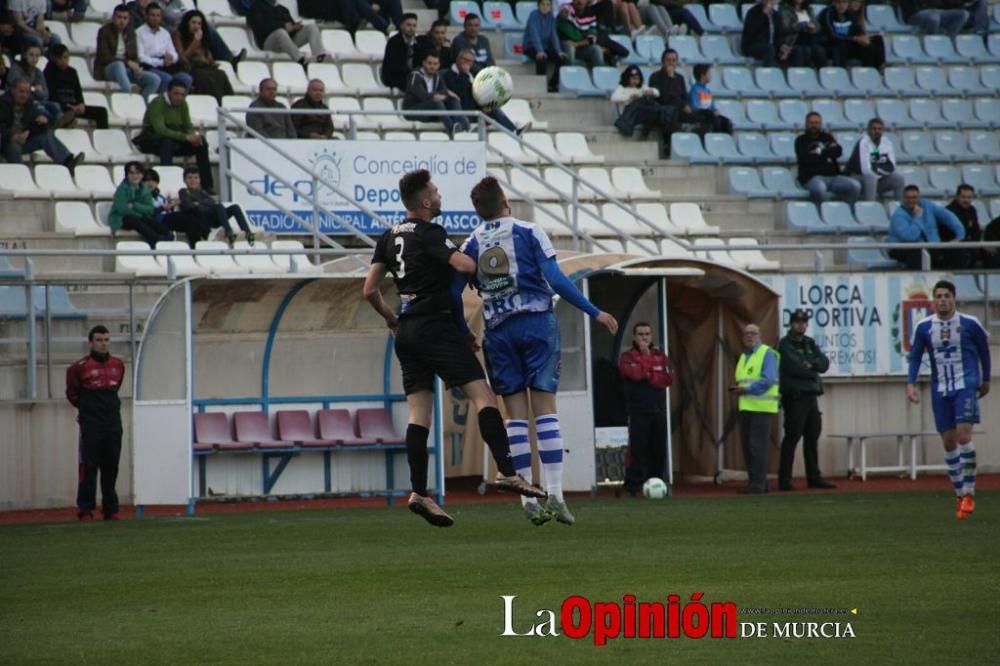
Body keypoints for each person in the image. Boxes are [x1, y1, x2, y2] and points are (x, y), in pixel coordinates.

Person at [363, 169, 546, 527]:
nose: (440, 194)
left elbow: (369, 289)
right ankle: (508, 472)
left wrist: (390, 318)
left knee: (419, 416)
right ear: (426, 201)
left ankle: (419, 492)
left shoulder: (387, 237)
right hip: (436, 327)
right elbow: (465, 263)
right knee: (484, 397)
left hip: (407, 331)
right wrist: (473, 267)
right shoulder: (430, 233)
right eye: (435, 190)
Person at [461, 177, 619, 525]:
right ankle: (557, 495)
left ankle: (527, 501)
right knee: (545, 411)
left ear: (479, 210)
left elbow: (454, 291)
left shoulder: (471, 243)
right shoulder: (528, 230)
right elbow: (556, 278)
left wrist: (462, 331)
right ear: (505, 202)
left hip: (498, 331)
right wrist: (595, 311)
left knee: (514, 418)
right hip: (535, 324)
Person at [907, 280, 990, 521]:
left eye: (946, 296)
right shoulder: (924, 327)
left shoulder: (970, 324)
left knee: (964, 436)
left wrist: (986, 380)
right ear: (934, 300)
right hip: (940, 389)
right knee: (949, 443)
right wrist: (910, 383)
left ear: (954, 299)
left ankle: (970, 493)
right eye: (939, 296)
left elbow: (984, 351)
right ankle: (959, 494)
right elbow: (914, 358)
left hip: (966, 386)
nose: (942, 300)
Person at [66, 325, 126, 522]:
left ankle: (111, 509)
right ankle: (85, 509)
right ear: (91, 342)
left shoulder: (118, 365)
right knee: (89, 466)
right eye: (99, 340)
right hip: (91, 424)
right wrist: (88, 411)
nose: (103, 344)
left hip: (113, 422)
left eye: (106, 340)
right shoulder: (80, 367)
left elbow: (116, 389)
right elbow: (72, 394)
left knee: (111, 465)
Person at [777, 309, 835, 491]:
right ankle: (784, 480)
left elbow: (824, 363)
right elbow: (796, 367)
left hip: (811, 396)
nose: (801, 325)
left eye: (804, 322)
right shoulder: (785, 344)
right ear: (791, 324)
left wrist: (812, 365)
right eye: (797, 322)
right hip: (795, 397)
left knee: (812, 437)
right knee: (792, 437)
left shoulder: (809, 343)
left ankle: (814, 477)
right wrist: (811, 367)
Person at [618, 322, 673, 498]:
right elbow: (635, 374)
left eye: (647, 334)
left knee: (658, 449)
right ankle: (632, 486)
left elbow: (666, 379)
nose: (644, 337)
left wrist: (649, 374)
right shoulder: (627, 356)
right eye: (640, 334)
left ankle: (657, 483)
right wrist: (646, 359)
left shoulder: (661, 356)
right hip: (638, 410)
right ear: (634, 337)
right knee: (637, 449)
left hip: (658, 409)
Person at [133, 78, 214, 193]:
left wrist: (192, 136)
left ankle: (207, 186)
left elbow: (187, 125)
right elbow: (160, 130)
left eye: (182, 94)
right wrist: (185, 137)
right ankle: (167, 182)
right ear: (168, 92)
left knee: (201, 143)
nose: (179, 97)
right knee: (167, 141)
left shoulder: (183, 104)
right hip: (152, 140)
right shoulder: (157, 103)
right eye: (176, 93)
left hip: (174, 138)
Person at [731, 323, 779, 495]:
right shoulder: (744, 356)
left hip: (762, 407)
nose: (749, 336)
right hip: (747, 407)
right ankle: (759, 483)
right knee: (748, 447)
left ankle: (757, 484)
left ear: (760, 335)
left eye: (753, 333)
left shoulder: (767, 353)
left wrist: (746, 389)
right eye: (746, 334)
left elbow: (769, 379)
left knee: (756, 447)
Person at [0, 79, 83, 171]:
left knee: (45, 136)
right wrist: (13, 136)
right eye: (21, 91)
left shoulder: (30, 104)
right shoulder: (3, 104)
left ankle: (68, 161)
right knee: (14, 148)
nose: (24, 95)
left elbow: (37, 125)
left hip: (24, 140)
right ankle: (18, 176)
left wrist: (42, 121)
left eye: (27, 92)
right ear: (13, 90)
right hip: (6, 142)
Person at [887, 185, 965, 270]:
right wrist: (918, 217)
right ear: (903, 198)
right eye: (908, 198)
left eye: (914, 197)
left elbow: (948, 216)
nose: (911, 200)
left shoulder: (927, 205)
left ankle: (955, 279)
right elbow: (910, 237)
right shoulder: (899, 215)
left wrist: (960, 235)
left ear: (919, 197)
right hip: (903, 248)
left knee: (958, 251)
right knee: (918, 253)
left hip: (931, 246)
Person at [444, 48, 521, 134]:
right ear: (458, 59)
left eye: (470, 61)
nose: (467, 63)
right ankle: (468, 125)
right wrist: (464, 75)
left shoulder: (472, 75)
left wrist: (484, 105)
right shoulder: (448, 74)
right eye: (465, 60)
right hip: (461, 113)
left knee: (492, 106)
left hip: (475, 112)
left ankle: (514, 130)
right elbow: (459, 93)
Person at [94, 5, 161, 100]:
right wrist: (127, 62)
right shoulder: (104, 31)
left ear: (128, 19)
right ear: (113, 18)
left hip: (127, 70)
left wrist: (137, 67)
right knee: (118, 65)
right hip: (107, 69)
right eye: (119, 17)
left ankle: (142, 105)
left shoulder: (130, 33)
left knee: (154, 79)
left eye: (125, 18)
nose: (122, 21)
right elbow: (104, 57)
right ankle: (130, 94)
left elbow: (134, 55)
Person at [795, 111, 860, 206]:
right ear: (806, 124)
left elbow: (838, 152)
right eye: (812, 123)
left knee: (855, 186)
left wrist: (819, 153)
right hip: (812, 178)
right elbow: (806, 159)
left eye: (817, 123)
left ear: (820, 124)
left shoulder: (827, 137)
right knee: (820, 189)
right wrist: (827, 152)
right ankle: (823, 215)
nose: (814, 125)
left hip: (833, 177)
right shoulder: (801, 140)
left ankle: (847, 212)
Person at [178, 165, 254, 245]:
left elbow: (212, 201)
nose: (193, 180)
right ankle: (229, 232)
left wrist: (198, 203)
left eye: (196, 178)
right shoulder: (183, 191)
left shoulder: (202, 192)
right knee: (218, 207)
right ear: (184, 180)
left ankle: (247, 233)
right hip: (200, 219)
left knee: (235, 207)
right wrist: (203, 203)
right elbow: (190, 206)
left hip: (211, 217)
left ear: (199, 180)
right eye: (190, 178)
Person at [172, 10, 234, 103]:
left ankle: (229, 103)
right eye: (193, 23)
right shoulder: (178, 35)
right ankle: (215, 103)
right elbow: (182, 58)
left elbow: (208, 55)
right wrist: (195, 42)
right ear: (187, 23)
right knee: (204, 77)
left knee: (221, 74)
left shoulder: (203, 36)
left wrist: (210, 61)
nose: (196, 26)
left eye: (199, 23)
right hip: (188, 67)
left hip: (203, 67)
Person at [402, 50, 469, 137]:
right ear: (424, 63)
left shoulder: (437, 76)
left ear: (439, 65)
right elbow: (422, 95)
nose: (432, 67)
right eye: (430, 63)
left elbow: (444, 90)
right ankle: (451, 128)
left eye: (435, 64)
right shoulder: (415, 75)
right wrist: (438, 95)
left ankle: (463, 124)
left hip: (431, 111)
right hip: (413, 111)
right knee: (436, 102)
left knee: (453, 99)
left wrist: (445, 93)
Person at [44, 44, 110, 129]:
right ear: (55, 59)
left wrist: (81, 104)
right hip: (62, 106)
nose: (64, 61)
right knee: (64, 110)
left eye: (66, 58)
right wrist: (67, 106)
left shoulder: (72, 72)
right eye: (61, 58)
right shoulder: (49, 72)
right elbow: (51, 95)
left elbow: (78, 91)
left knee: (102, 112)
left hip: (75, 106)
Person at [247, 0, 328, 67]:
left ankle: (319, 55)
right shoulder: (257, 7)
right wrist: (283, 26)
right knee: (280, 32)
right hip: (269, 43)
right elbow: (260, 27)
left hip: (287, 41)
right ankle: (301, 60)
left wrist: (295, 27)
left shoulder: (283, 9)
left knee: (311, 27)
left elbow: (291, 26)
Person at [110, 159, 170, 246]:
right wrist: (141, 211)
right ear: (127, 175)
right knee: (135, 219)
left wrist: (134, 205)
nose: (135, 176)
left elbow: (150, 209)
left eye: (137, 173)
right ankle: (156, 240)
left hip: (141, 217)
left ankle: (168, 236)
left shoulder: (145, 189)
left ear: (142, 175)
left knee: (155, 224)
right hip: (121, 219)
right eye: (132, 173)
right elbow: (122, 210)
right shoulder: (121, 190)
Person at [137, 2, 193, 93]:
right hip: (149, 66)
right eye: (152, 15)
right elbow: (141, 57)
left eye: (158, 16)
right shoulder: (139, 32)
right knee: (167, 79)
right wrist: (161, 62)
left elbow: (173, 53)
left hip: (167, 65)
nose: (155, 18)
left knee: (186, 78)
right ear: (146, 16)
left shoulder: (165, 33)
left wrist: (171, 58)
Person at [612, 64, 675, 144]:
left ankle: (646, 133)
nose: (635, 81)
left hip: (642, 113)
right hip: (629, 114)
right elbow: (614, 98)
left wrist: (652, 92)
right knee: (652, 108)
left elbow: (657, 93)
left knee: (653, 110)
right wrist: (630, 97)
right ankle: (663, 112)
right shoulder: (622, 88)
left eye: (637, 79)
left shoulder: (641, 87)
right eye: (633, 78)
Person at [846, 117, 904, 203]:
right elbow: (865, 170)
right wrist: (882, 167)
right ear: (868, 130)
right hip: (857, 177)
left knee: (898, 178)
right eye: (874, 129)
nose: (877, 131)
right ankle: (870, 207)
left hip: (878, 179)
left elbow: (891, 166)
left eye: (879, 129)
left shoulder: (887, 143)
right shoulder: (863, 143)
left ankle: (902, 207)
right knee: (871, 178)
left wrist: (879, 169)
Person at [5, 43, 63, 125]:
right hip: (18, 102)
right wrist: (34, 89)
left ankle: (62, 120)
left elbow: (45, 94)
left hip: (36, 100)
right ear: (25, 55)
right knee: (39, 108)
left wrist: (33, 90)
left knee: (55, 105)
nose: (34, 58)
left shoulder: (38, 72)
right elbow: (20, 89)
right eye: (31, 55)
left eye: (37, 56)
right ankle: (53, 123)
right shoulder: (16, 69)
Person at [818, 0, 884, 69]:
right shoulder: (827, 13)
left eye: (844, 2)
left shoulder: (849, 13)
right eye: (838, 2)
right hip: (832, 44)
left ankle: (874, 69)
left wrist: (865, 37)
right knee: (841, 44)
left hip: (849, 42)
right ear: (834, 2)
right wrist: (855, 38)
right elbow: (831, 35)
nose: (841, 5)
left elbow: (856, 31)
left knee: (876, 40)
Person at [523, 0, 566, 93]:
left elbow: (553, 35)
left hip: (545, 47)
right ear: (538, 5)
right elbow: (534, 34)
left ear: (550, 6)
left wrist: (558, 51)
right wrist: (540, 50)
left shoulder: (551, 17)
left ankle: (553, 84)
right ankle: (540, 86)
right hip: (531, 46)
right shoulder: (533, 15)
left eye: (548, 5)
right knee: (541, 58)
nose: (545, 7)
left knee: (561, 58)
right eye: (543, 4)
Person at [940, 184, 982, 269]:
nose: (966, 200)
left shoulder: (972, 210)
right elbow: (950, 235)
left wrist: (975, 244)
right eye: (963, 197)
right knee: (961, 254)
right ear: (957, 197)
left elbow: (976, 230)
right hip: (951, 247)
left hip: (968, 245)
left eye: (969, 197)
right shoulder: (949, 211)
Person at [777, 0, 827, 68]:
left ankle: (823, 74)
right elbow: (785, 27)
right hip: (793, 40)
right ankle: (800, 75)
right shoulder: (784, 9)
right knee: (801, 51)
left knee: (819, 50)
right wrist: (800, 25)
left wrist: (814, 28)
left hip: (808, 39)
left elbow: (818, 26)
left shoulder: (808, 9)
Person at [557, 0, 604, 69]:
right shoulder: (567, 7)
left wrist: (577, 44)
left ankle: (599, 77)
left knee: (597, 50)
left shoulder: (591, 14)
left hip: (579, 46)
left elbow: (592, 37)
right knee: (570, 48)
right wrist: (563, 14)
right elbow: (563, 11)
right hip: (563, 45)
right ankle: (570, 76)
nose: (579, 1)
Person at [742, 0, 789, 67]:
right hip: (752, 45)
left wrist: (782, 46)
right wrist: (763, 15)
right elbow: (750, 32)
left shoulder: (776, 15)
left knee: (797, 51)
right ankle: (767, 73)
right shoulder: (753, 12)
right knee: (769, 49)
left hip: (771, 46)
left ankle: (791, 75)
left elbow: (779, 35)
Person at [689, 64, 732, 134]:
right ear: (702, 76)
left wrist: (716, 110)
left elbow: (712, 107)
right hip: (702, 115)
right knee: (715, 121)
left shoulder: (707, 90)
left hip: (710, 114)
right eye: (708, 73)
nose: (710, 76)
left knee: (727, 122)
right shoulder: (694, 90)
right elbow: (695, 107)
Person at [380, 11, 417, 91]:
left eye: (414, 26)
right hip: (394, 77)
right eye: (408, 25)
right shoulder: (394, 42)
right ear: (401, 26)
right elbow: (394, 66)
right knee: (415, 83)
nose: (412, 28)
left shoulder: (417, 42)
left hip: (410, 75)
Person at [898, 0, 968, 36]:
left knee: (963, 14)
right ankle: (933, 40)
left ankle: (949, 40)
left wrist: (963, 2)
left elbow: (948, 3)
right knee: (933, 18)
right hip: (917, 14)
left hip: (939, 12)